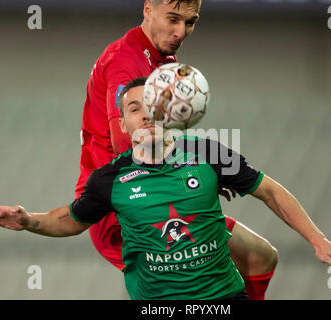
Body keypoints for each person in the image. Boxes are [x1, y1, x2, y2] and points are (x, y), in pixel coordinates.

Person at [0, 77, 331, 300]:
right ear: (123, 123)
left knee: (265, 257)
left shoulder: (207, 153)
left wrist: (318, 240)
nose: (145, 113)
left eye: (151, 104)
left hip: (223, 300)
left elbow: (271, 191)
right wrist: (28, 219)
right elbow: (71, 220)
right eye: (134, 108)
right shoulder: (109, 180)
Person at [76, 0, 279, 299]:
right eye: (173, 19)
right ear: (147, 9)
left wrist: (196, 171)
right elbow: (131, 146)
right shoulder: (126, 62)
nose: (180, 31)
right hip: (127, 207)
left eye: (190, 22)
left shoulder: (159, 59)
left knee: (259, 257)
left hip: (159, 191)